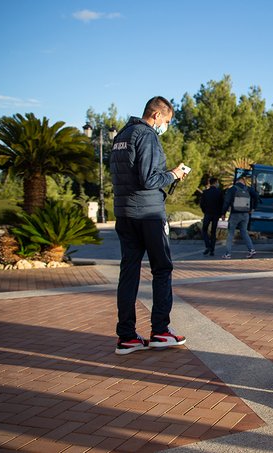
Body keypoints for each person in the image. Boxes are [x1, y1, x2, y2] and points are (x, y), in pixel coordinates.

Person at [110, 96, 189, 355]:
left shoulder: (121, 136)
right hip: (149, 214)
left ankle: (126, 336)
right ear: (156, 115)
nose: (166, 126)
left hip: (124, 213)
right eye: (167, 121)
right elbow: (148, 179)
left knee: (129, 272)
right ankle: (160, 332)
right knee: (162, 269)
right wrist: (174, 174)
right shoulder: (146, 135)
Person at [220, 171, 259, 259]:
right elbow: (256, 196)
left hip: (235, 214)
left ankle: (228, 254)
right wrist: (253, 208)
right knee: (244, 232)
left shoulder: (232, 189)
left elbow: (226, 202)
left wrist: (223, 213)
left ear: (237, 180)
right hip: (245, 214)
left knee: (230, 234)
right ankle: (251, 250)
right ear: (243, 180)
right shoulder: (248, 189)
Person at [200, 177, 223, 256]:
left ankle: (208, 246)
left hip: (208, 213)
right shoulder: (219, 192)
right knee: (213, 232)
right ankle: (212, 249)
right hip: (216, 214)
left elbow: (202, 204)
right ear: (215, 183)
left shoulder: (205, 192)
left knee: (204, 230)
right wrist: (221, 213)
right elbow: (222, 204)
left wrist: (205, 211)